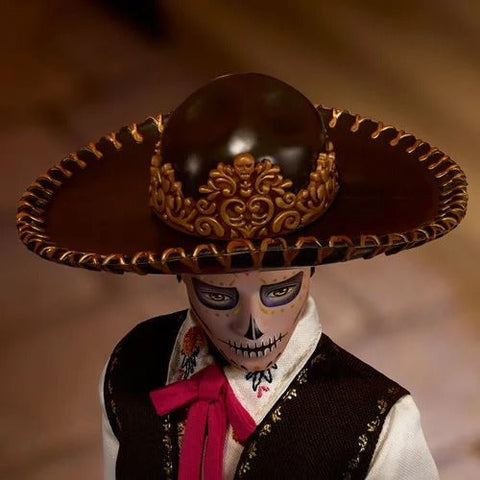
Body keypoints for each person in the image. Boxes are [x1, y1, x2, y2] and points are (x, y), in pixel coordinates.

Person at [17, 73, 467, 479]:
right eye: (219, 296)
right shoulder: (130, 370)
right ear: (183, 276)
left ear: (311, 269)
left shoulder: (379, 424)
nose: (253, 326)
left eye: (279, 290)